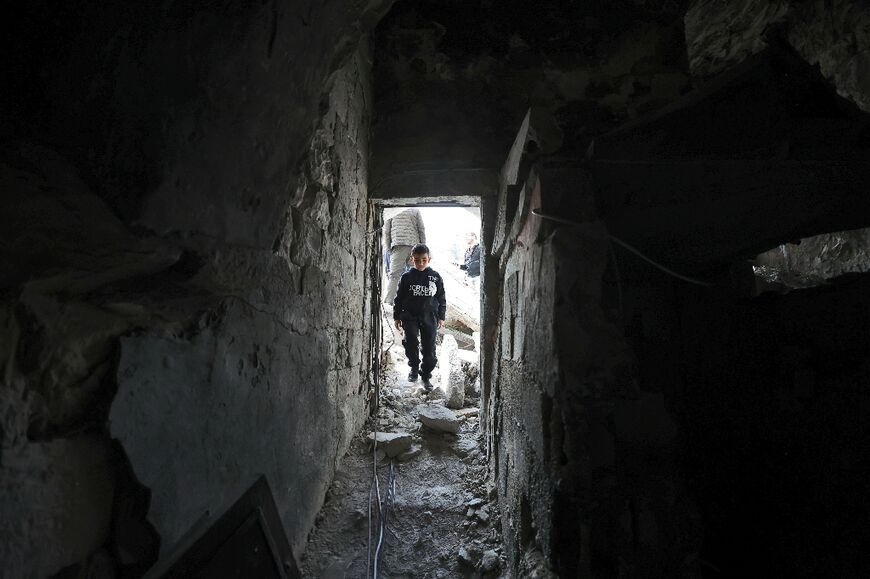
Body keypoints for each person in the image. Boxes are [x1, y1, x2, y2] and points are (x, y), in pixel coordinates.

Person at [393, 244, 446, 391]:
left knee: (429, 346)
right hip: (410, 316)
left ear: (429, 259)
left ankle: (426, 374)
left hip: (429, 316)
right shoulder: (406, 277)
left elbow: (441, 297)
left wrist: (441, 316)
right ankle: (414, 368)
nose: (421, 263)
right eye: (417, 260)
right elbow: (399, 298)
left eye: (424, 260)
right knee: (410, 341)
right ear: (412, 259)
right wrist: (397, 316)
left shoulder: (435, 277)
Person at [383, 208, 426, 304]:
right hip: (414, 247)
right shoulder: (415, 210)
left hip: (398, 245)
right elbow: (421, 229)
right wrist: (423, 247)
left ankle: (390, 300)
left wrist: (388, 247)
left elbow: (386, 231)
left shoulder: (391, 210)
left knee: (394, 275)